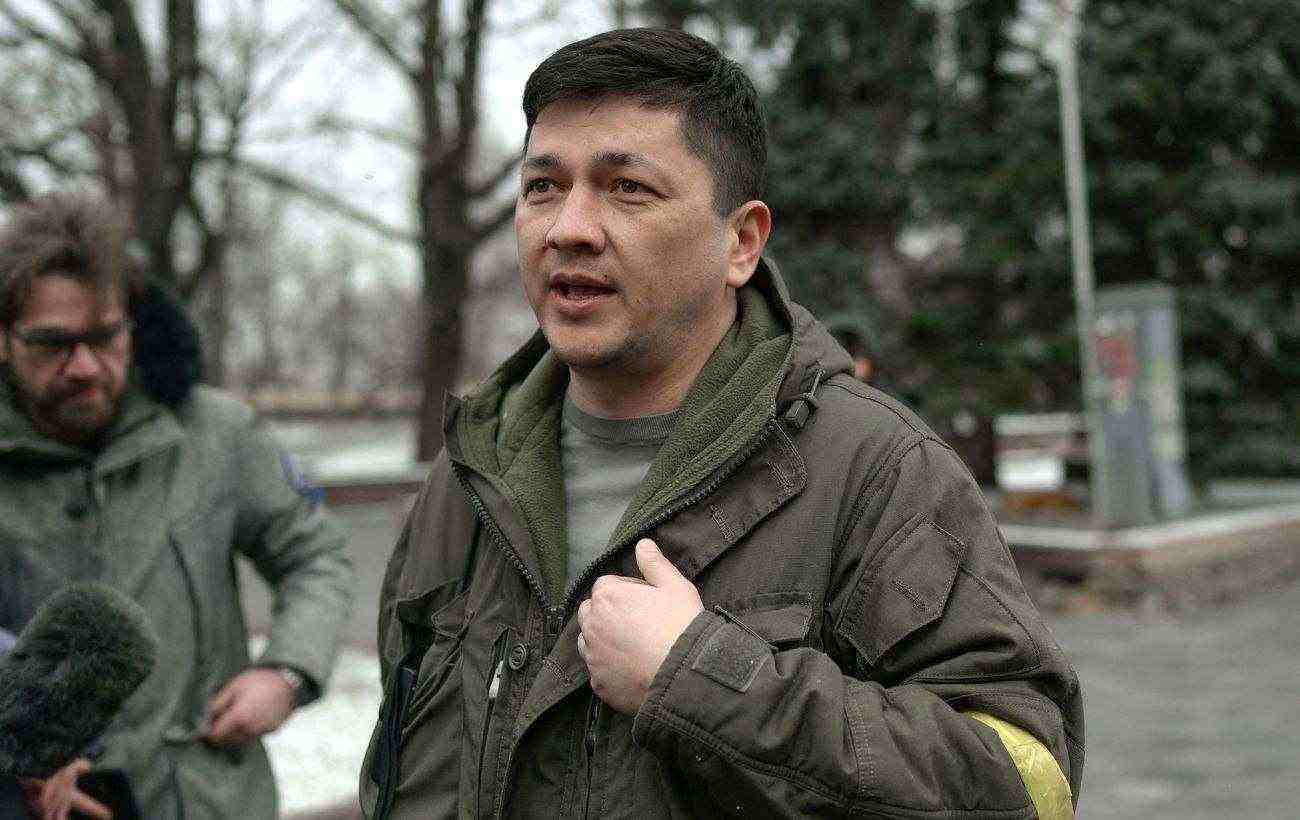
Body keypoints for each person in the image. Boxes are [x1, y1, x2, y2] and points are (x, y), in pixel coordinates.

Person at [360, 28, 1082, 820]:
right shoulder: (469, 476)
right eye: (543, 186)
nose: (569, 227)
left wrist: (709, 681)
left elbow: (1025, 785)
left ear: (741, 242)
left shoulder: (877, 471)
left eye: (627, 188)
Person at [0, 193, 354, 819]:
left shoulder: (218, 433)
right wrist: (22, 745)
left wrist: (287, 672)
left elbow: (315, 555)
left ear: (132, 324)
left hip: (204, 799)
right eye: (53, 343)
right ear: (4, 339)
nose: (84, 367)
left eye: (104, 337)